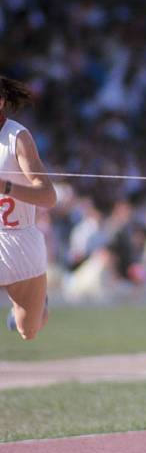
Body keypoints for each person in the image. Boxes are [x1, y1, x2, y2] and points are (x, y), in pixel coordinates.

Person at [0, 76, 57, 340]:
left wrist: (6, 187)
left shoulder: (17, 137)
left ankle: (36, 308)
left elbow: (48, 196)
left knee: (27, 330)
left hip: (18, 240)